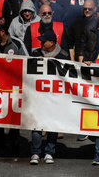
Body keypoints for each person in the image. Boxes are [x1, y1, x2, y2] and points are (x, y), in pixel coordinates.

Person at [0, 19, 28, 157]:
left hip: (14, 88)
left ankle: (14, 143)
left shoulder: (17, 43)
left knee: (13, 118)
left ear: (3, 32)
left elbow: (27, 61)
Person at [29, 30, 67, 165]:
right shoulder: (35, 54)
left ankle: (49, 152)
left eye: (43, 41)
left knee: (52, 124)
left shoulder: (63, 57)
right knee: (36, 125)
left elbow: (69, 74)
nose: (41, 43)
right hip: (38, 96)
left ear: (52, 43)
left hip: (55, 97)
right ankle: (35, 153)